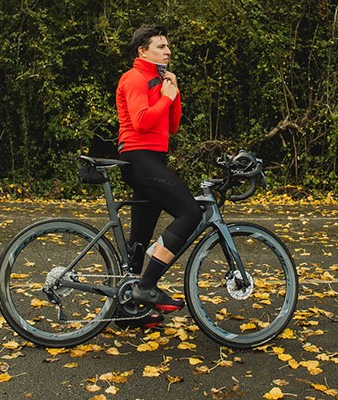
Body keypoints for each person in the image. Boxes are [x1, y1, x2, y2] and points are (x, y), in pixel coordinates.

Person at [114, 25, 202, 329]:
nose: (168, 51)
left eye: (168, 46)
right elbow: (140, 121)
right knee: (190, 212)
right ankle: (147, 286)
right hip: (139, 157)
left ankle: (127, 311)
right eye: (161, 46)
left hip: (153, 157)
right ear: (143, 51)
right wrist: (165, 97)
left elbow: (172, 126)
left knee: (139, 239)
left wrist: (172, 95)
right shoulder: (134, 78)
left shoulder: (158, 80)